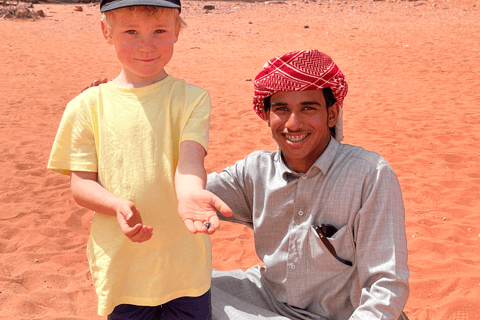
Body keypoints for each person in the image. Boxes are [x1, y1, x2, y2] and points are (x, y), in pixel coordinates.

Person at [47, 0, 232, 318]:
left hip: (186, 267)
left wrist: (189, 195)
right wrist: (116, 205)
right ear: (107, 31)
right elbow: (81, 187)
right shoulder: (86, 106)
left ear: (176, 31)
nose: (146, 45)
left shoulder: (191, 98)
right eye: (130, 31)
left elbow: (189, 161)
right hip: (124, 269)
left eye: (159, 30)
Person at [206, 49, 410, 320]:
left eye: (308, 108)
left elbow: (387, 286)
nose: (293, 123)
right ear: (267, 115)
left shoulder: (369, 174)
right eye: (281, 109)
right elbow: (186, 195)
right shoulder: (255, 171)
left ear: (332, 114)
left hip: (343, 315)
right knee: (181, 292)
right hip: (268, 299)